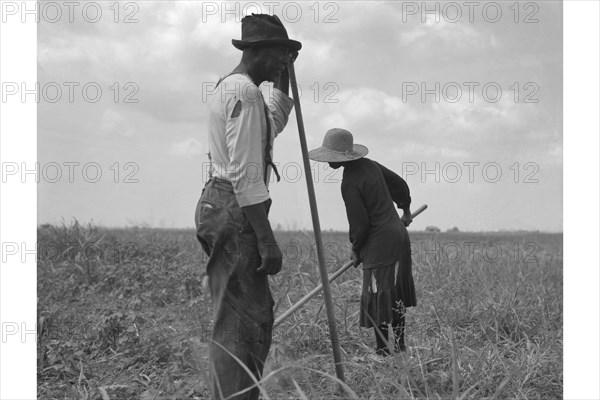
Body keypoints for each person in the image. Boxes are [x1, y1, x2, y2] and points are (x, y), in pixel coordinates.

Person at [194, 14, 301, 399]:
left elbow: (271, 122)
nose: (282, 62)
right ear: (255, 51)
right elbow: (245, 174)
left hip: (220, 204)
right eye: (278, 54)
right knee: (245, 322)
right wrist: (267, 239)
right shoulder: (244, 93)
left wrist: (284, 77)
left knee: (238, 318)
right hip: (233, 208)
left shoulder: (239, 89)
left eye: (288, 56)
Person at [308, 128, 417, 356]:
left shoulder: (349, 182)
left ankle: (382, 352)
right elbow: (399, 184)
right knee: (393, 293)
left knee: (377, 293)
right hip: (398, 236)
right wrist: (405, 210)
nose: (329, 162)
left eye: (332, 157)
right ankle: (400, 347)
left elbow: (360, 225)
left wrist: (356, 248)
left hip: (380, 242)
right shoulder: (371, 165)